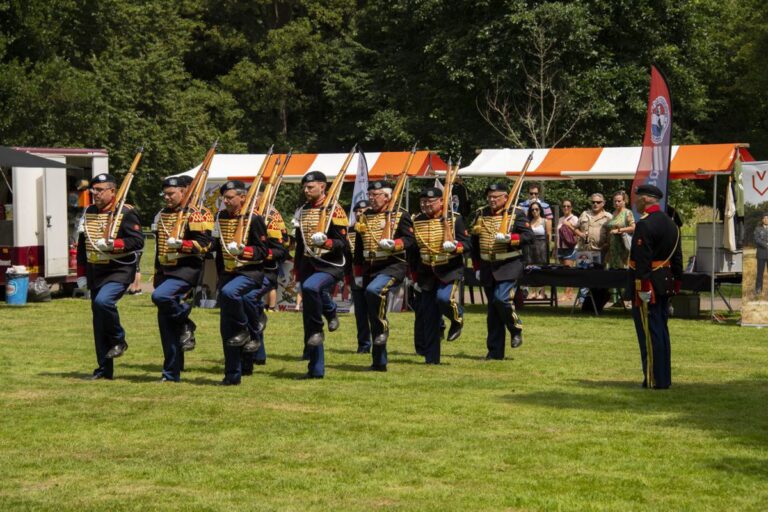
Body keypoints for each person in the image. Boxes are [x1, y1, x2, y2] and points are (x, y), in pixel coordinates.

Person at [76, 173, 144, 380]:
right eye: (93, 190)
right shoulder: (89, 212)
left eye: (100, 190)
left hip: (118, 270)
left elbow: (138, 241)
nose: (95, 193)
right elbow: (82, 245)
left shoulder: (125, 212)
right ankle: (104, 369)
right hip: (96, 271)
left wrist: (116, 244)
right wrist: (81, 274)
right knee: (99, 320)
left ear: (112, 191)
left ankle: (118, 339)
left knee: (103, 302)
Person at [151, 175, 213, 382]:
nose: (167, 198)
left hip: (186, 269)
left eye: (171, 194)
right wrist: (157, 271)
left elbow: (205, 244)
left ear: (184, 192)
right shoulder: (162, 214)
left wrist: (183, 245)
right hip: (166, 271)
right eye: (165, 194)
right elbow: (159, 246)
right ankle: (171, 373)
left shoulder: (197, 213)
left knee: (161, 297)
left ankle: (186, 321)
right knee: (166, 326)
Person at [353, 180, 415, 372]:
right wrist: (356, 273)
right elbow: (359, 246)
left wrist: (395, 244)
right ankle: (379, 362)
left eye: (376, 195)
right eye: (370, 195)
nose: (371, 198)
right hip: (370, 268)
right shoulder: (364, 217)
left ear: (387, 196)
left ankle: (384, 328)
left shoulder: (400, 215)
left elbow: (411, 240)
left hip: (392, 266)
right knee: (372, 314)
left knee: (374, 290)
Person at [213, 180, 269, 386]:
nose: (225, 201)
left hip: (249, 273)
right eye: (224, 198)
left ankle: (247, 329)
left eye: (230, 198)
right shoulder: (219, 218)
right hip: (227, 274)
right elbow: (216, 246)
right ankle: (232, 375)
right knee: (226, 329)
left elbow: (263, 252)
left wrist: (244, 251)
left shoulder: (254, 219)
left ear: (243, 198)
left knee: (230, 293)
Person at [294, 171, 349, 379]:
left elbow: (343, 243)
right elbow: (300, 243)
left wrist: (326, 242)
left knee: (312, 288)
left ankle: (327, 315)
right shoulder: (303, 210)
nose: (306, 191)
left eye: (310, 187)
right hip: (309, 264)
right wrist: (297, 270)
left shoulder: (335, 210)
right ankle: (315, 370)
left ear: (322, 187)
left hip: (330, 265)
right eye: (305, 188)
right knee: (309, 316)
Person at [470, 183, 533, 360]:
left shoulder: (517, 213)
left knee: (502, 299)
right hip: (488, 267)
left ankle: (515, 327)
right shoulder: (481, 213)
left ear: (505, 197)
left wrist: (511, 238)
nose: (492, 200)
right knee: (493, 311)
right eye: (490, 197)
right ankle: (494, 352)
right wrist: (476, 266)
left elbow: (529, 237)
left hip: (509, 265)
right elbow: (474, 242)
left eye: (496, 197)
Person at [628, 184, 683, 390]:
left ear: (646, 199)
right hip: (664, 283)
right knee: (661, 330)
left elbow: (642, 260)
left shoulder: (645, 224)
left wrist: (642, 288)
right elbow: (677, 258)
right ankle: (664, 377)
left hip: (648, 286)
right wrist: (677, 282)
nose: (635, 202)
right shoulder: (671, 224)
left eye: (637, 198)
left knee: (649, 334)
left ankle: (652, 378)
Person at [409, 187, 471, 364]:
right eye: (423, 202)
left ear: (441, 202)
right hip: (426, 272)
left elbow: (468, 244)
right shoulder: (416, 221)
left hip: (449, 270)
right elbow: (414, 250)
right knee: (429, 316)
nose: (426, 205)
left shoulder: (455, 219)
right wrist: (414, 276)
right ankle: (431, 357)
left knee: (444, 299)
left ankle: (457, 318)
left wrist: (456, 247)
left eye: (430, 202)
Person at [241, 195, 290, 374]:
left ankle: (253, 353)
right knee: (250, 308)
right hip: (243, 271)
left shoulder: (271, 218)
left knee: (248, 300)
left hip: (266, 271)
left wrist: (259, 254)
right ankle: (258, 354)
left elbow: (282, 247)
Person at [346, 199, 372, 354]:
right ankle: (363, 344)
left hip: (373, 272)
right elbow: (348, 256)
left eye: (362, 211)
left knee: (375, 312)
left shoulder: (374, 230)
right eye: (357, 211)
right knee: (360, 312)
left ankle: (379, 339)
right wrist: (349, 278)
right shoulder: (349, 230)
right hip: (357, 274)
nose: (359, 213)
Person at [604, 190, 636, 305]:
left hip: (623, 249)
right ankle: (616, 299)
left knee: (623, 273)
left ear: (624, 201)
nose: (617, 203)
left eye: (619, 201)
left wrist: (619, 230)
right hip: (613, 250)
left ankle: (625, 299)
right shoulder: (613, 213)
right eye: (615, 201)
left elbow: (633, 227)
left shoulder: (627, 213)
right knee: (614, 273)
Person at [523, 201, 551, 299]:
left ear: (540, 210)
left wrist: (549, 249)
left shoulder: (545, 221)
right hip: (530, 247)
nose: (534, 211)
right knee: (531, 269)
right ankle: (533, 292)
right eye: (532, 209)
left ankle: (542, 292)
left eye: (536, 209)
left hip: (542, 247)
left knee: (542, 269)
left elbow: (548, 235)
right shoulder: (528, 222)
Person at [556, 199, 582, 299]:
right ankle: (569, 293)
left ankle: (566, 294)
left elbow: (578, 232)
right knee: (565, 271)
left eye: (568, 206)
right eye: (564, 206)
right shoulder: (560, 219)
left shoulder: (574, 218)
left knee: (568, 270)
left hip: (570, 247)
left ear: (571, 207)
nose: (566, 208)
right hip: (560, 247)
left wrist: (569, 225)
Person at [755, 213, 768, 297]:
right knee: (760, 273)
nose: (766, 220)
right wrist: (766, 244)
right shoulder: (758, 229)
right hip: (761, 254)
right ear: (762, 220)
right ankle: (758, 289)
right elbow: (757, 240)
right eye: (765, 218)